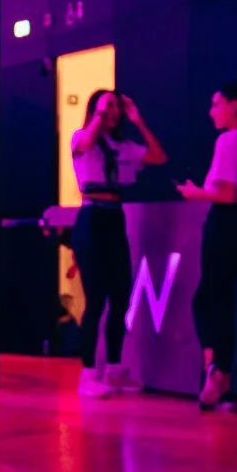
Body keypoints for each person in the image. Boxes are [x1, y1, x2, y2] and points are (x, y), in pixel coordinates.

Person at [176, 82, 237, 410]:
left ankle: (214, 371)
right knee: (221, 301)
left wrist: (194, 193)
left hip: (224, 226)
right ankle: (223, 378)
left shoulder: (229, 139)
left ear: (234, 105)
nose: (211, 112)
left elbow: (227, 195)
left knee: (208, 302)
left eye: (217, 104)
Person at [69, 89, 166, 397]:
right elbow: (85, 144)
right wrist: (99, 113)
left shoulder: (123, 145)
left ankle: (114, 368)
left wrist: (139, 121)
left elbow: (158, 157)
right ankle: (88, 373)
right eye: (108, 106)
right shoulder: (82, 137)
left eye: (117, 106)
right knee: (96, 297)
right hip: (92, 216)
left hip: (114, 217)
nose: (114, 111)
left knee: (121, 295)